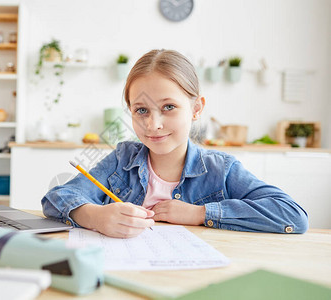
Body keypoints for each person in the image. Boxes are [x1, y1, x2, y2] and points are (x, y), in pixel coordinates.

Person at [41, 49, 308, 238]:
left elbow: (292, 216)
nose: (153, 124)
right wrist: (95, 217)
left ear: (196, 109)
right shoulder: (122, 159)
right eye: (141, 110)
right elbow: (56, 198)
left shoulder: (220, 168)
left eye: (168, 107)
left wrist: (200, 213)